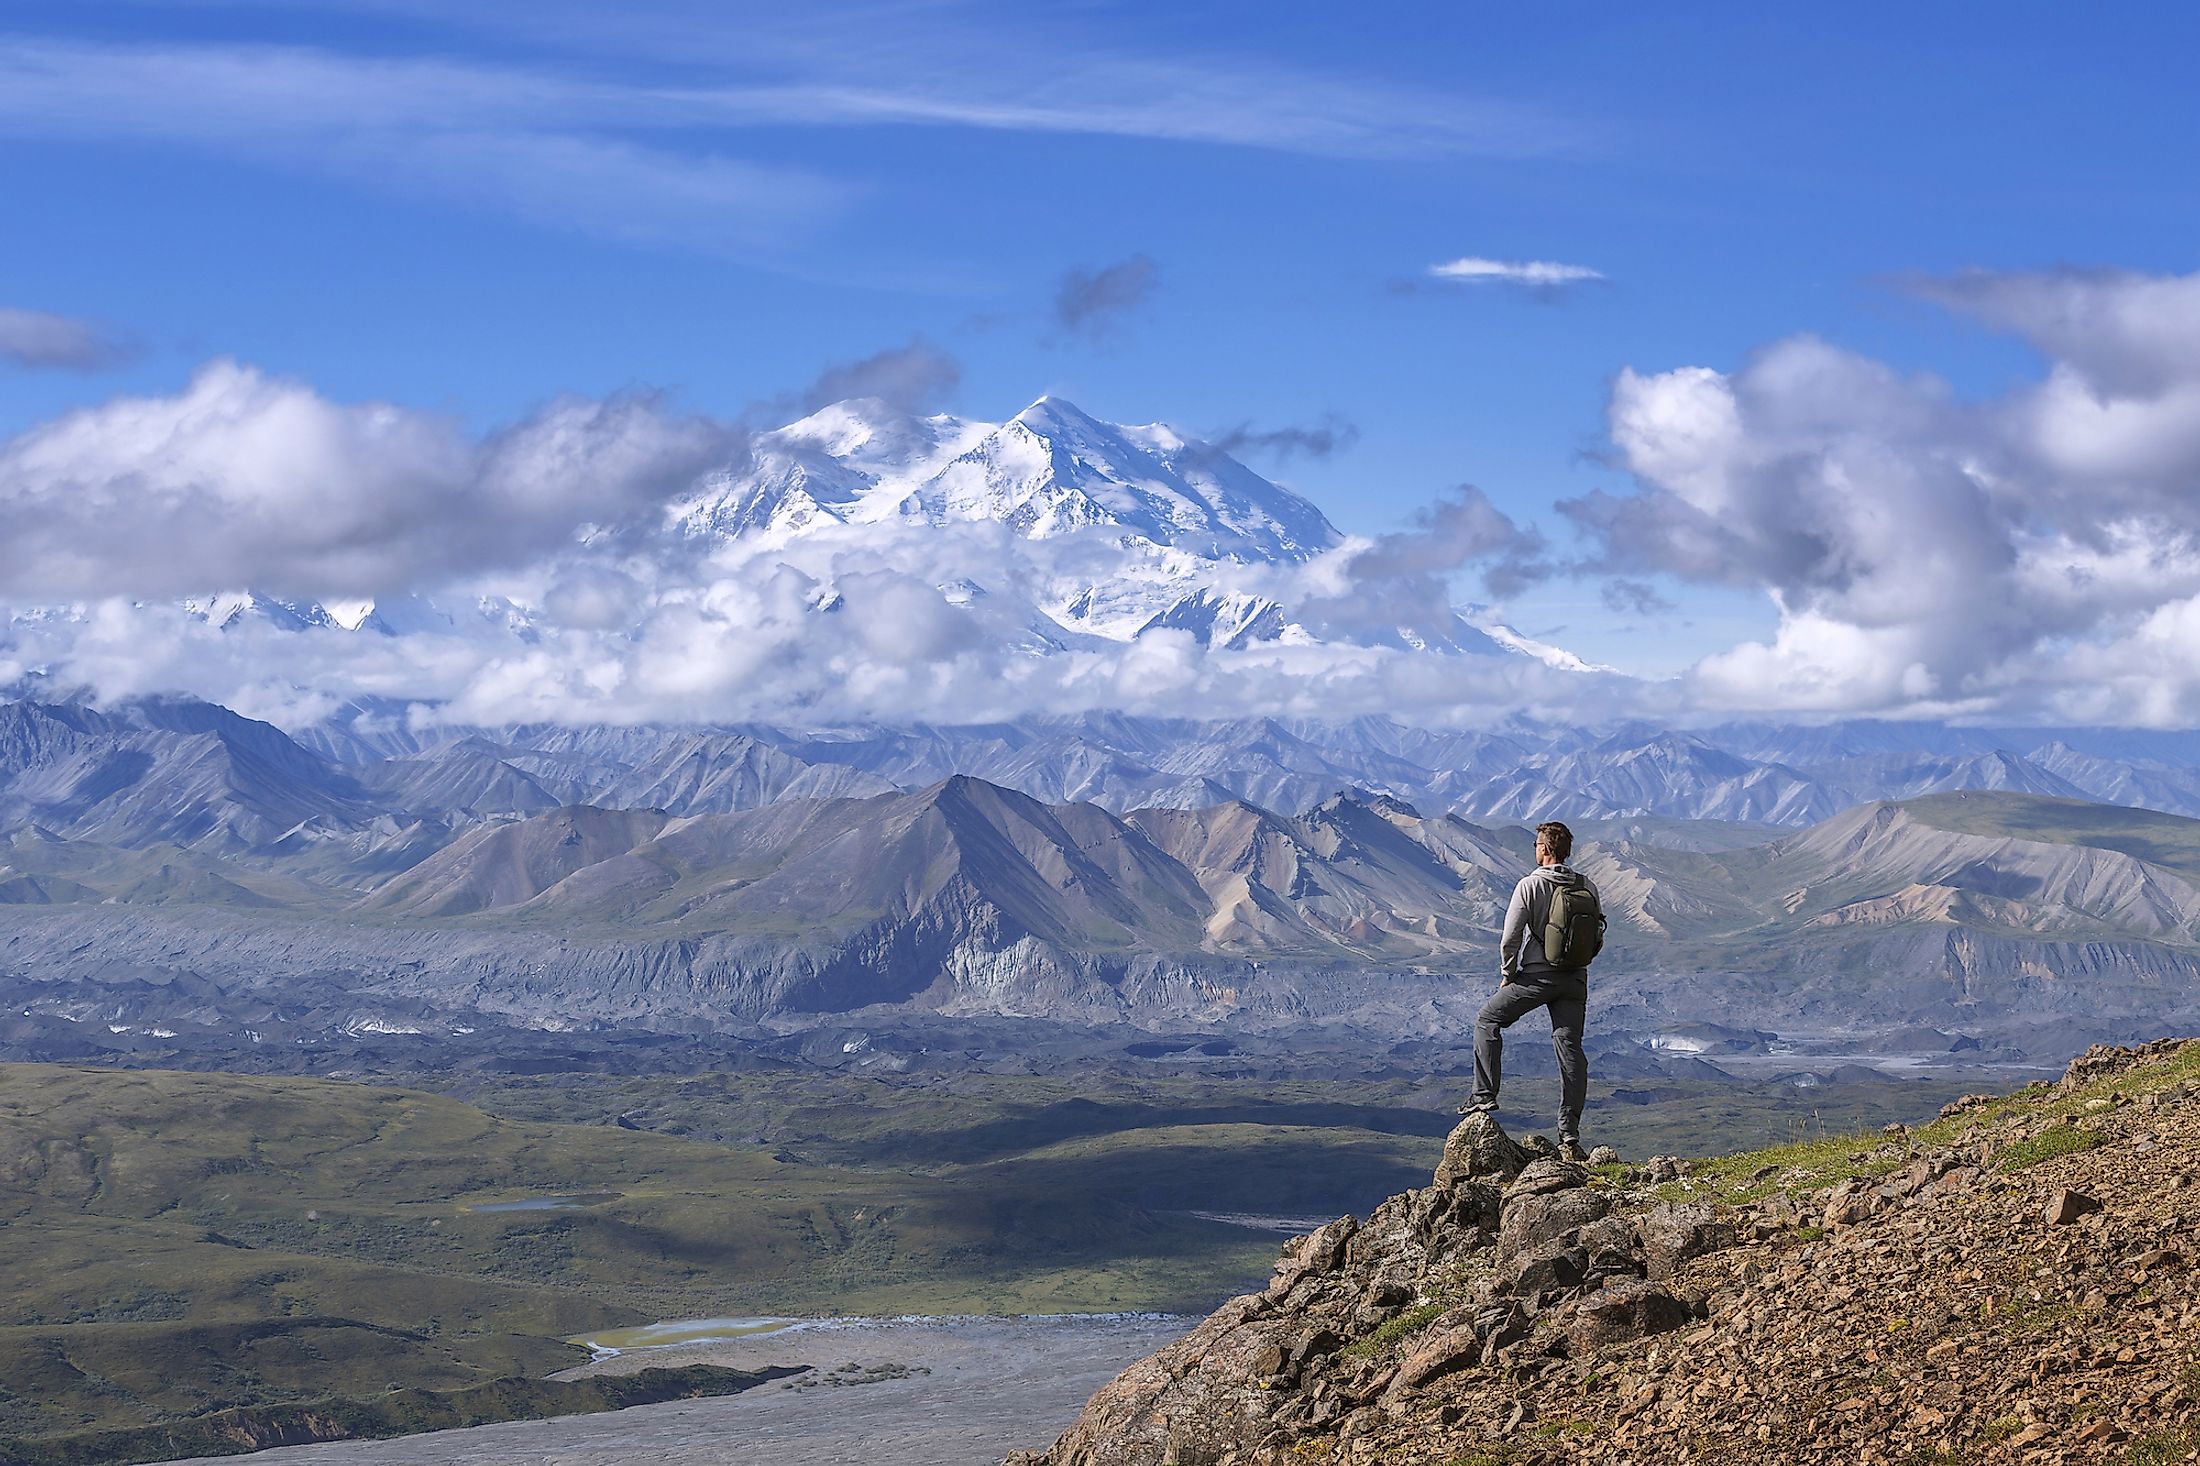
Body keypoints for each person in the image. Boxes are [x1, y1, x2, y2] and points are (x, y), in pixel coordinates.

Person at [1461, 820, 1600, 1163]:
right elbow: (1596, 937)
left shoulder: (1530, 885)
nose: (1535, 849)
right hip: (1575, 980)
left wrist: (1509, 974)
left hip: (1536, 977)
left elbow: (1510, 938)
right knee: (1570, 1050)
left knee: (1487, 1020)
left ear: (1544, 849)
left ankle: (1483, 1095)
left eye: (1537, 844)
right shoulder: (1587, 885)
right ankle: (1569, 1134)